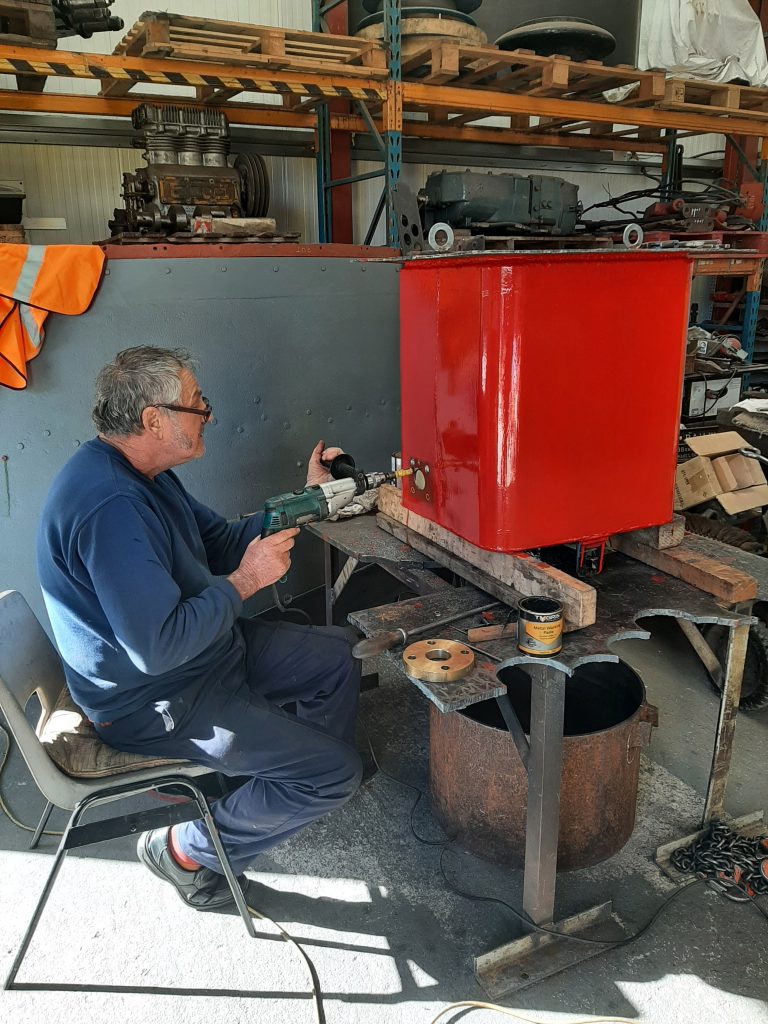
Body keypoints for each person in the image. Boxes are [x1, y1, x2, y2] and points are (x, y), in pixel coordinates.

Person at [37, 346, 363, 911]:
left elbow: (219, 540)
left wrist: (313, 499)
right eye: (195, 404)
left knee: (342, 656)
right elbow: (158, 647)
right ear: (152, 420)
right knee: (335, 774)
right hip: (156, 700)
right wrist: (243, 584)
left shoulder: (148, 473)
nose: (207, 412)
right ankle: (184, 851)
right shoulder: (109, 505)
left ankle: (284, 788)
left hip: (204, 656)